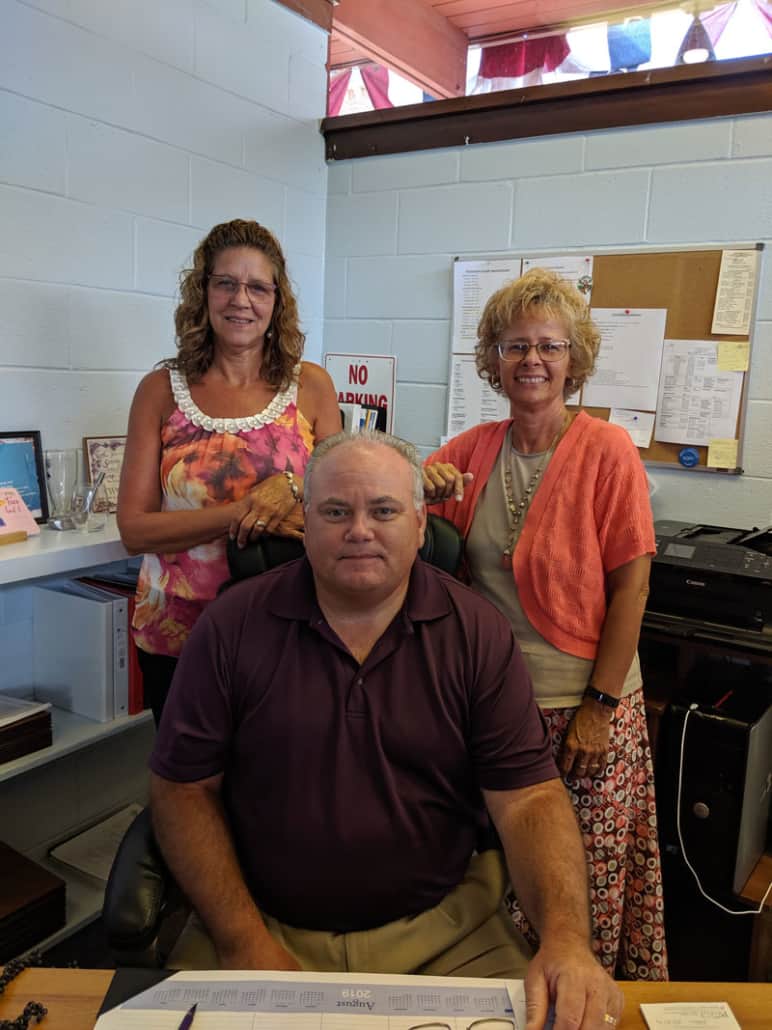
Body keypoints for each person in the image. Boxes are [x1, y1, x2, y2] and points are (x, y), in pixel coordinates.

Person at [149, 430, 624, 1030]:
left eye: (383, 511)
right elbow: (183, 789)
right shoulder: (230, 627)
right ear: (305, 524)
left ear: (421, 525)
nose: (359, 531)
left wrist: (565, 941)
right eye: (335, 512)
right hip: (259, 927)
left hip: (447, 935)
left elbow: (529, 798)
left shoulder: (477, 634)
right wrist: (244, 943)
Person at [423, 269, 668, 981]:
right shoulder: (469, 450)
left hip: (585, 710)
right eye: (515, 345)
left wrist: (600, 706)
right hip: (497, 708)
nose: (532, 359)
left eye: (550, 346)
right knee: (503, 882)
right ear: (493, 359)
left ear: (573, 359)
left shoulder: (607, 451)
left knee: (579, 886)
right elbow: (388, 504)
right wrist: (420, 487)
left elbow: (632, 588)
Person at [117, 219, 341, 724]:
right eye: (226, 283)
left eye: (258, 287)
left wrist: (290, 486)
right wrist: (244, 511)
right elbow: (134, 530)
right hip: (178, 629)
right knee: (188, 767)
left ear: (277, 301)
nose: (241, 300)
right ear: (204, 293)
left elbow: (340, 498)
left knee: (279, 764)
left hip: (288, 623)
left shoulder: (311, 387)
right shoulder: (160, 391)